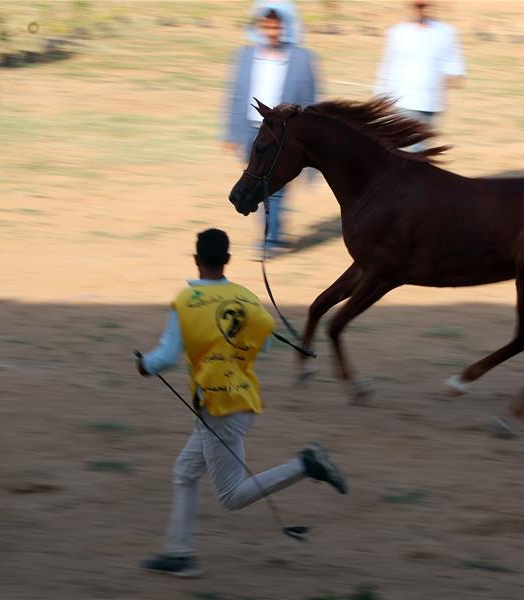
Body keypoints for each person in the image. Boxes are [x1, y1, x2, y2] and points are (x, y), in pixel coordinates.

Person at [137, 228, 346, 578]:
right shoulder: (248, 300)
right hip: (242, 398)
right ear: (228, 260)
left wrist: (144, 365)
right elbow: (261, 345)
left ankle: (305, 464)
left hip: (217, 408)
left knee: (231, 495)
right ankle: (178, 553)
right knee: (185, 472)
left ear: (196, 259)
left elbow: (164, 359)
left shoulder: (186, 301)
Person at [223, 5, 317, 254]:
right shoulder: (245, 56)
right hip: (252, 129)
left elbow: (309, 99)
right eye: (267, 25)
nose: (272, 30)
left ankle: (271, 238)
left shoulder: (300, 57)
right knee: (255, 180)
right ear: (259, 28)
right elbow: (235, 95)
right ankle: (270, 234)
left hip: (282, 132)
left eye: (276, 25)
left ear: (285, 28)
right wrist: (231, 133)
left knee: (275, 186)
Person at [374, 0, 465, 136]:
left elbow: (455, 70)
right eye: (417, 5)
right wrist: (380, 97)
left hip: (432, 106)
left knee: (418, 151)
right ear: (410, 6)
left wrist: (451, 78)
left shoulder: (445, 32)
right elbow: (388, 67)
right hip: (405, 103)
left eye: (424, 5)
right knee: (413, 149)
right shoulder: (398, 32)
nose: (421, 9)